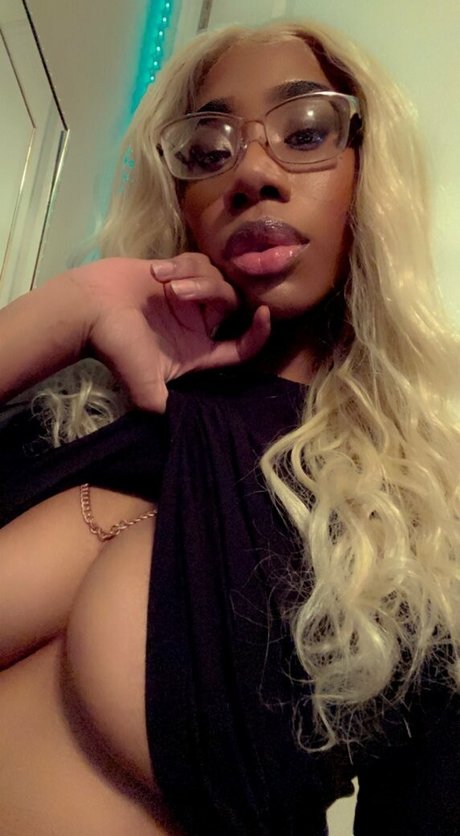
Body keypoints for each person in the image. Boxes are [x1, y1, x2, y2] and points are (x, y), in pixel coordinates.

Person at [0, 16, 459, 836]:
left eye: (305, 133)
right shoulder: (85, 408)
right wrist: (75, 306)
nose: (250, 172)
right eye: (208, 150)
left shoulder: (419, 518)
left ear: (369, 172)